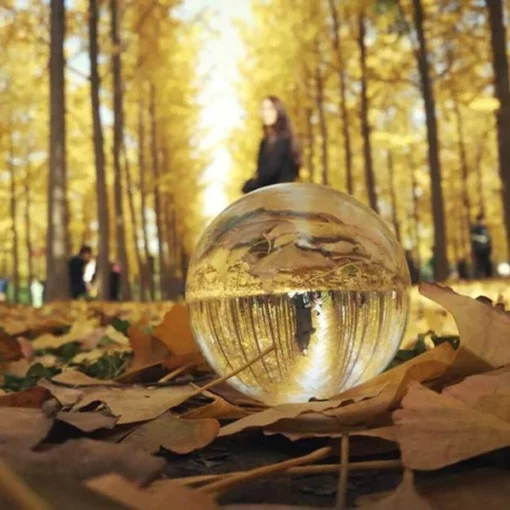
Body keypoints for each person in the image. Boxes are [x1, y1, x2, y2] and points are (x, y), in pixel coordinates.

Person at [242, 96, 301, 194]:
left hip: (282, 196)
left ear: (279, 111)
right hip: (269, 195)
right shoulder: (265, 142)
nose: (266, 113)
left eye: (270, 109)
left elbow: (270, 173)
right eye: (263, 109)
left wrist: (250, 185)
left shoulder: (285, 140)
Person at [470, 213, 493, 278]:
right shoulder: (475, 228)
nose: (484, 221)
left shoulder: (486, 228)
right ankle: (480, 277)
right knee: (480, 264)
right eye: (482, 220)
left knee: (487, 263)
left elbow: (489, 238)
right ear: (479, 220)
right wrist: (481, 239)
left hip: (486, 249)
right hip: (479, 249)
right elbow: (473, 237)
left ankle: (488, 276)